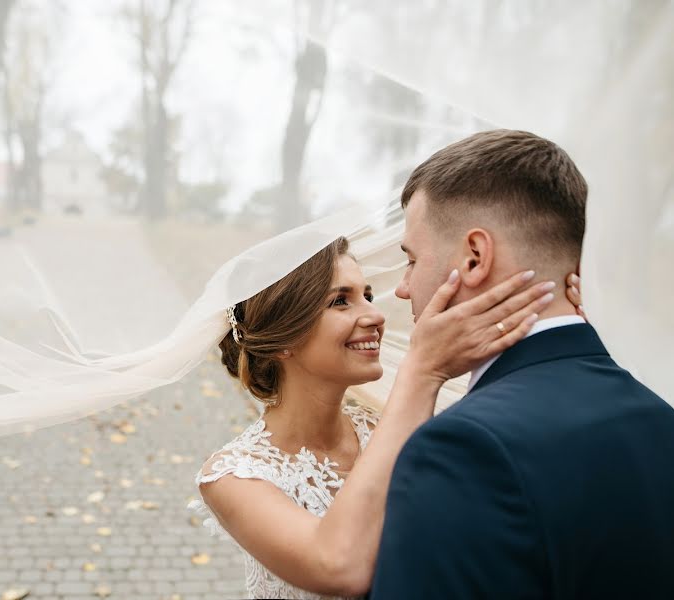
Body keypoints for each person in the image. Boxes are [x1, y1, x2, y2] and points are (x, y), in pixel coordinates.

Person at [369, 129, 674, 599]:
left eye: (411, 260)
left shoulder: (461, 448)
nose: (405, 288)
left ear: (474, 257)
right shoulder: (658, 415)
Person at [190, 232, 580, 599]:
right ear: (284, 338)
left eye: (368, 295)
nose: (375, 315)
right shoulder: (234, 476)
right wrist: (422, 371)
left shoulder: (393, 428)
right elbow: (336, 566)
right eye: (341, 301)